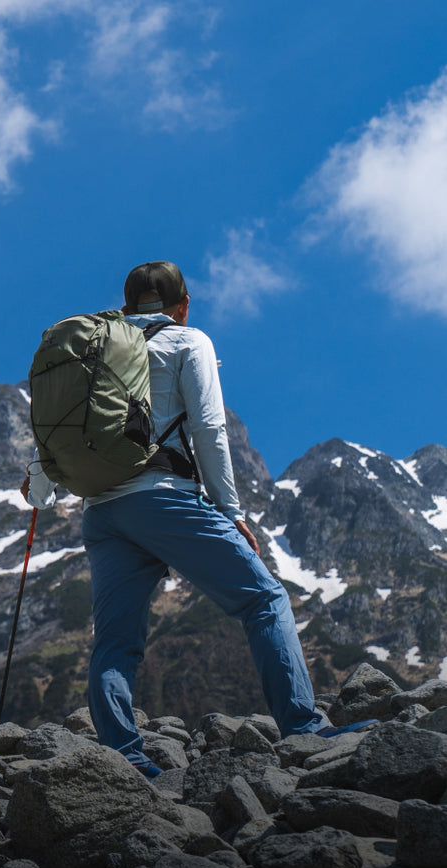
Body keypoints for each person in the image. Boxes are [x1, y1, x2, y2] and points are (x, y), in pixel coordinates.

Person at [22, 261, 377, 778]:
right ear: (182, 305)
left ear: (125, 309)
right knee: (263, 599)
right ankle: (303, 728)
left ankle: (126, 760)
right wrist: (231, 512)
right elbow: (210, 427)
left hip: (100, 513)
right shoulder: (188, 342)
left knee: (116, 641)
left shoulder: (94, 353)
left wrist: (42, 489)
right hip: (162, 498)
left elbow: (53, 447)